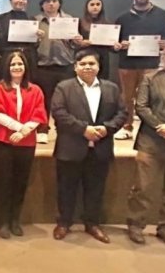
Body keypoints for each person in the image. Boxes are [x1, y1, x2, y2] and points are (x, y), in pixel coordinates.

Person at [50, 49, 127, 243]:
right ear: (75, 67)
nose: (87, 67)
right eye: (82, 64)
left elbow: (121, 113)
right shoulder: (64, 87)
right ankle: (64, 223)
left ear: (98, 67)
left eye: (91, 63)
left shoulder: (111, 88)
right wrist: (83, 129)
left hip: (101, 147)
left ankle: (92, 223)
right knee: (66, 188)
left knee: (96, 189)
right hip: (71, 148)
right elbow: (59, 113)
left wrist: (106, 128)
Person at [126, 41, 165, 249]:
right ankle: (136, 225)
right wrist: (163, 129)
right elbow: (141, 107)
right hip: (151, 143)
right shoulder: (150, 78)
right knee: (143, 188)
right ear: (162, 57)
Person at [0, 50, 47, 239]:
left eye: (20, 64)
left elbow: (39, 114)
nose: (16, 67)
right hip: (2, 140)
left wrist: (24, 131)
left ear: (25, 67)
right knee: (4, 181)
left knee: (20, 182)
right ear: (7, 67)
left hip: (26, 142)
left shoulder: (35, 90)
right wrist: (19, 128)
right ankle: (3, 222)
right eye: (13, 64)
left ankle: (15, 220)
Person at [113, 0, 165, 141]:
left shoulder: (162, 14)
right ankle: (127, 127)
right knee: (127, 97)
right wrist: (120, 45)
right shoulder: (122, 18)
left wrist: (164, 42)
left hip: (150, 63)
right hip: (127, 64)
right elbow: (114, 42)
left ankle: (152, 128)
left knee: (151, 97)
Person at [33, 0, 82, 144]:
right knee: (44, 100)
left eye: (54, 1)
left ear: (59, 3)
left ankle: (64, 130)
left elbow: (74, 44)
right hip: (43, 65)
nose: (51, 4)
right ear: (42, 5)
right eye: (47, 1)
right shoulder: (36, 20)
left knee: (65, 100)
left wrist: (77, 40)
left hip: (65, 65)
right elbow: (30, 44)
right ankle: (42, 129)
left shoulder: (69, 20)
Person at [0, 0, 42, 80]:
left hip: (28, 59)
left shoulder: (32, 20)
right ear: (11, 0)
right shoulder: (1, 18)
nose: (21, 1)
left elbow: (34, 45)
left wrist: (39, 38)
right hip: (7, 58)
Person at [77, 0, 112, 80]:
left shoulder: (107, 24)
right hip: (85, 57)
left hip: (102, 59)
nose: (95, 7)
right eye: (92, 4)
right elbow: (73, 43)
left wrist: (115, 46)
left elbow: (111, 46)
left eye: (98, 4)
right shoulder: (79, 23)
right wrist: (81, 43)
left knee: (102, 82)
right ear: (87, 7)